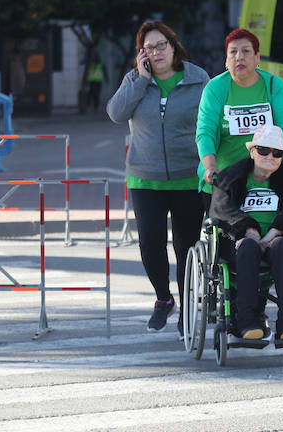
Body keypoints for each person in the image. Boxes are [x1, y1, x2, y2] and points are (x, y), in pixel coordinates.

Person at [107, 21, 209, 337]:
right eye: (149, 48)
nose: (156, 52)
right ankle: (164, 299)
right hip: (145, 177)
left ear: (173, 45)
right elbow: (116, 112)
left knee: (185, 245)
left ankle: (189, 307)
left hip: (188, 177)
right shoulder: (136, 80)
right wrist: (140, 78)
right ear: (142, 54)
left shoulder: (198, 79)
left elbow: (211, 120)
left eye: (161, 45)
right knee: (150, 242)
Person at [209, 125, 283, 341]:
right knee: (248, 246)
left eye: (277, 153)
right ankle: (247, 322)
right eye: (263, 150)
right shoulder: (232, 176)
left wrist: (272, 233)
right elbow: (221, 207)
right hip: (240, 241)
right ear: (252, 151)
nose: (269, 156)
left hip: (276, 239)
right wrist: (249, 229)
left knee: (282, 246)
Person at [196, 28, 283, 206]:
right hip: (225, 180)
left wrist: (281, 165)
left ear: (257, 57)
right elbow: (205, 132)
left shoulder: (275, 86)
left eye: (246, 51)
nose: (239, 57)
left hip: (270, 176)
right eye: (233, 52)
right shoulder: (214, 88)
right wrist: (210, 166)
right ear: (226, 60)